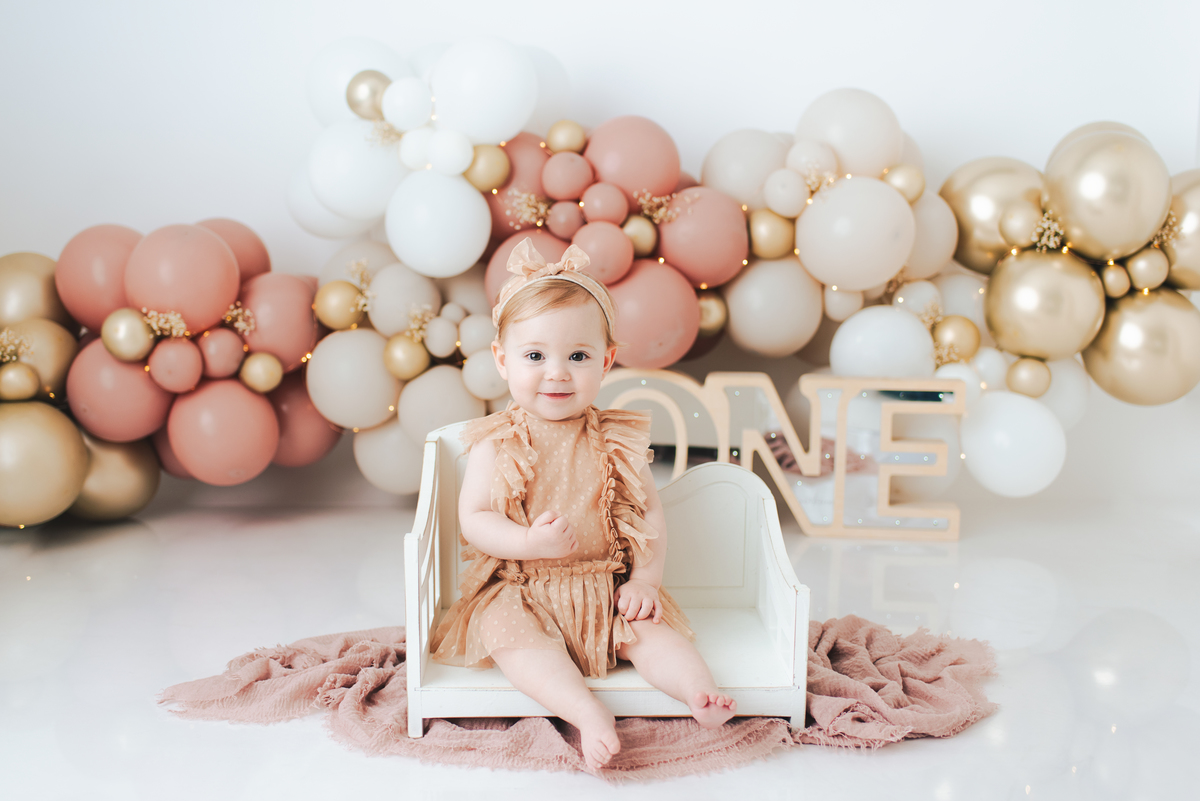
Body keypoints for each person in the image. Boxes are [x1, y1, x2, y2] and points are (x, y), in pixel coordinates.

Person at [430, 238, 736, 770]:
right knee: (510, 641)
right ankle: (585, 711)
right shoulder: (496, 441)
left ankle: (698, 690)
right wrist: (528, 542)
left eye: (578, 356)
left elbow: (648, 514)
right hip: (523, 589)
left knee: (650, 631)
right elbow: (474, 519)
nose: (557, 372)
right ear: (502, 360)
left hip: (605, 586)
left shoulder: (616, 439)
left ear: (606, 360)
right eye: (535, 356)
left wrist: (645, 581)